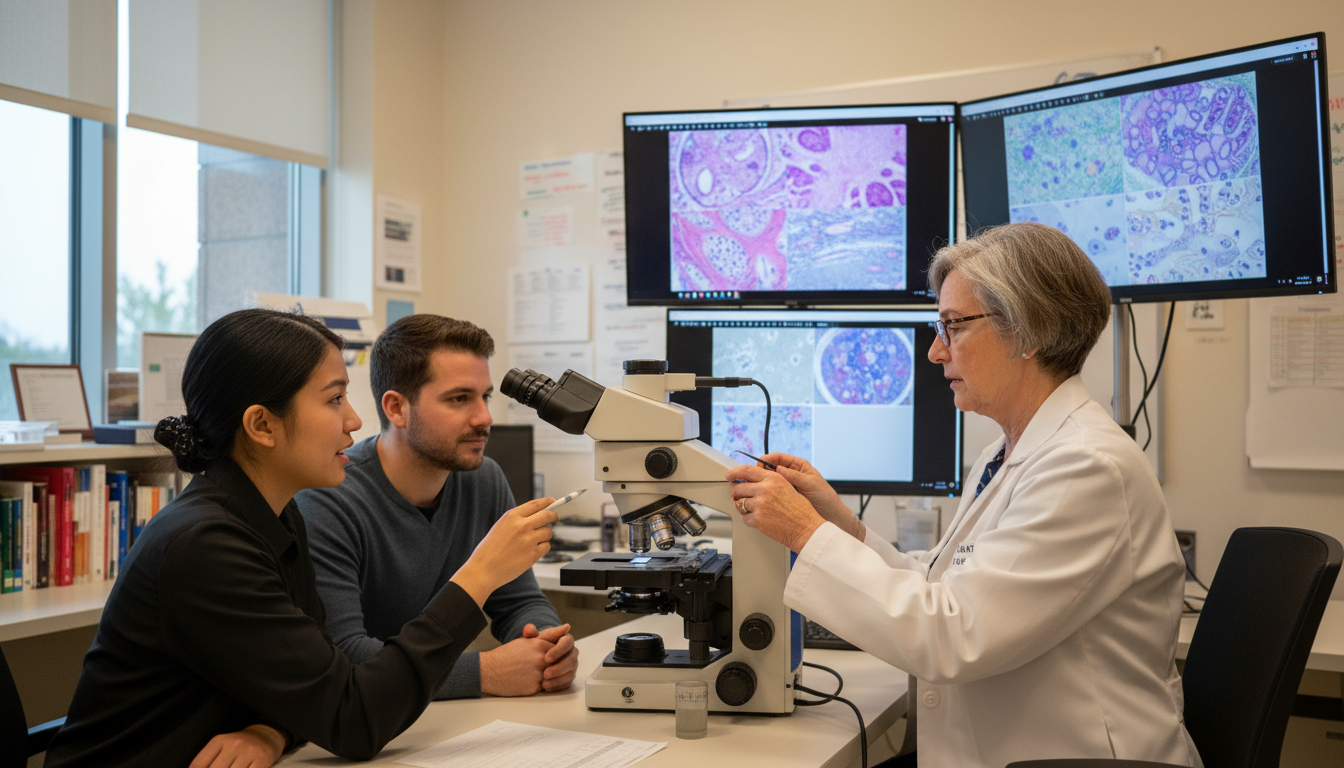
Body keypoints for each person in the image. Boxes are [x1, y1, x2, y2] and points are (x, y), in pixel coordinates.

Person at [726, 222, 1199, 768]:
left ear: (1028, 331)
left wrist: (803, 533)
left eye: (953, 326)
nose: (934, 351)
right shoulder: (1013, 450)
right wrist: (838, 525)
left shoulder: (1085, 467)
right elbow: (942, 586)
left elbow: (952, 636)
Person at [44, 309, 558, 768]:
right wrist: (479, 575)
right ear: (263, 425)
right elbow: (355, 720)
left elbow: (320, 682)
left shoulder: (275, 515)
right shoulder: (207, 546)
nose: (354, 420)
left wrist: (272, 730)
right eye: (334, 399)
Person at [296, 314, 578, 699]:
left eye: (485, 397)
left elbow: (518, 600)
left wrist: (547, 645)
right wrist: (484, 672)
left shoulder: (484, 479)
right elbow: (345, 657)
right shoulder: (328, 498)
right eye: (459, 399)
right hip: (367, 720)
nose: (484, 418)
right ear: (397, 408)